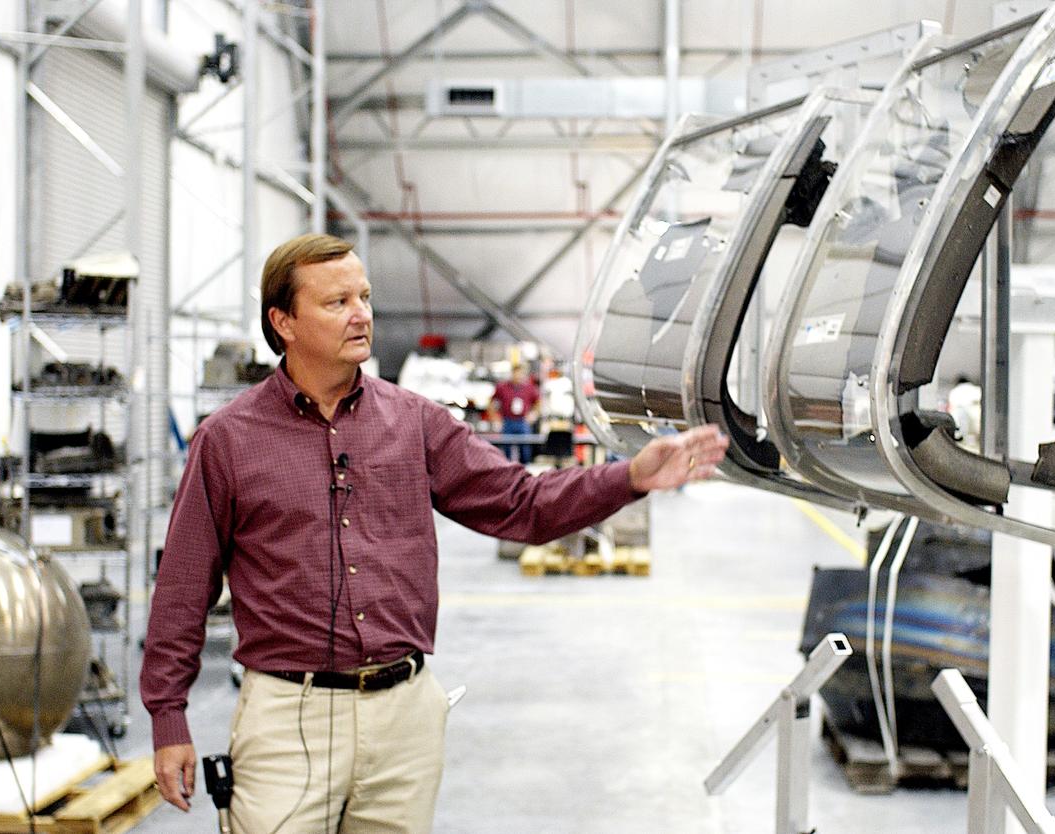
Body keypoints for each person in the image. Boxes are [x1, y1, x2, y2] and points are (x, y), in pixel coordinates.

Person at [140, 233, 728, 834]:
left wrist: (629, 477)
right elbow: (184, 587)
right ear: (283, 321)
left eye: (364, 296)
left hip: (405, 717)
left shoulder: (414, 422)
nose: (362, 313)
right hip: (290, 716)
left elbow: (521, 505)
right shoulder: (229, 440)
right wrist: (168, 717)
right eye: (337, 301)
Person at [490, 364, 540, 463]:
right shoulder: (502, 387)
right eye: (516, 374)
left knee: (525, 449)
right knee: (506, 450)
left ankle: (525, 471)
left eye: (520, 374)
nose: (518, 376)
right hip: (507, 421)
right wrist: (495, 418)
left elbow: (538, 403)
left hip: (522, 421)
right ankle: (508, 473)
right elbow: (491, 403)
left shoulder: (529, 388)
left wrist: (533, 414)